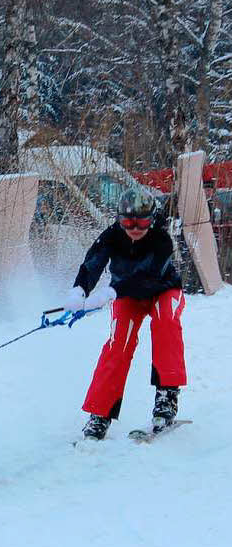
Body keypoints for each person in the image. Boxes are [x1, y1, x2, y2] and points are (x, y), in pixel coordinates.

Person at [64, 187, 187, 441]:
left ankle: (166, 397)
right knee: (117, 343)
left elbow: (147, 276)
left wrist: (109, 293)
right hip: (126, 296)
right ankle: (100, 415)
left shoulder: (161, 240)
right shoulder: (111, 236)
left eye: (141, 221)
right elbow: (92, 263)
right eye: (128, 222)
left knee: (166, 324)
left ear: (151, 220)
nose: (135, 228)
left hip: (162, 290)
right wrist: (80, 291)